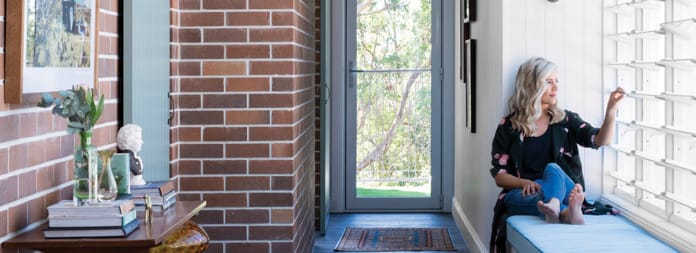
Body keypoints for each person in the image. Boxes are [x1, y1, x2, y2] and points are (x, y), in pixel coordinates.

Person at [490, 57, 624, 227]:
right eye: (548, 82)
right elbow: (500, 177)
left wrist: (611, 109)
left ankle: (554, 204)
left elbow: (599, 140)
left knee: (553, 169)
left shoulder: (565, 120)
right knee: (517, 199)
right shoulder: (509, 126)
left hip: (564, 190)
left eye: (556, 81)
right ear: (531, 86)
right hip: (528, 192)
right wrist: (524, 182)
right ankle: (565, 213)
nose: (556, 88)